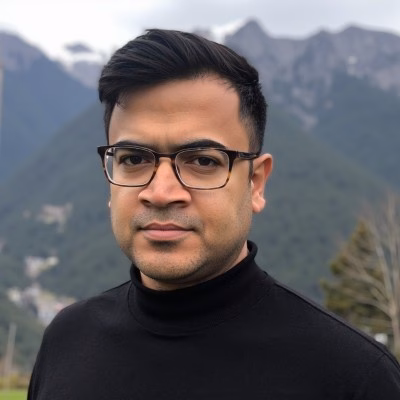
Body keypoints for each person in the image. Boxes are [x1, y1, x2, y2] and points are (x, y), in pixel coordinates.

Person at [28, 29, 400, 400]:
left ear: (256, 183)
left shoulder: (352, 377)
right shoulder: (67, 339)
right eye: (134, 159)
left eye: (203, 161)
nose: (161, 193)